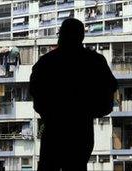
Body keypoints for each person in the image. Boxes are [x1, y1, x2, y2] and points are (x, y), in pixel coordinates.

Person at [29, 18, 117, 171]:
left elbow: (35, 92)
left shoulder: (46, 62)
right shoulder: (95, 61)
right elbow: (110, 87)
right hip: (81, 129)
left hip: (54, 129)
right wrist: (90, 111)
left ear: (61, 35)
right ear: (81, 36)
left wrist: (49, 112)